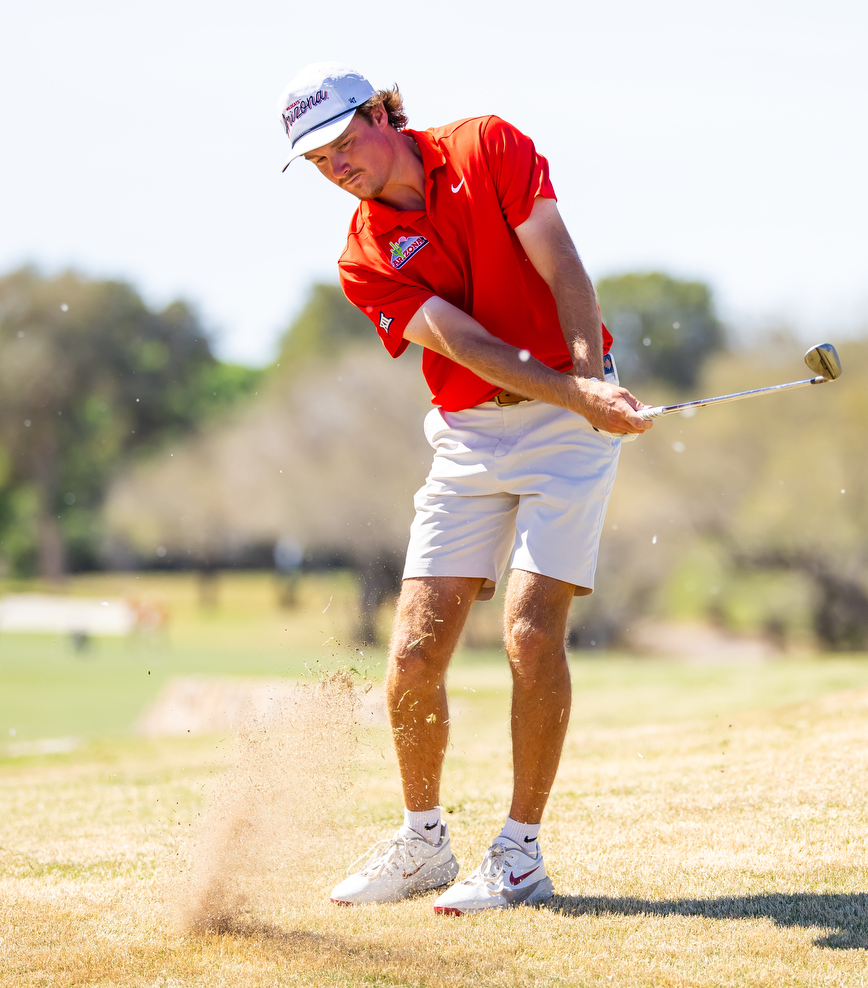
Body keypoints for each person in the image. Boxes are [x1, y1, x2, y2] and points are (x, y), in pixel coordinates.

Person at [277, 63, 652, 915]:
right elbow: (463, 342)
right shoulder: (363, 254)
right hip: (471, 432)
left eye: (341, 143)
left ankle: (520, 855)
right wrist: (577, 393)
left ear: (380, 113)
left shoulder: (487, 144)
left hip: (568, 421)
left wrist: (588, 385)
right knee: (413, 648)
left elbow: (563, 268)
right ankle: (424, 843)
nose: (336, 167)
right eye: (317, 161)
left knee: (528, 629)